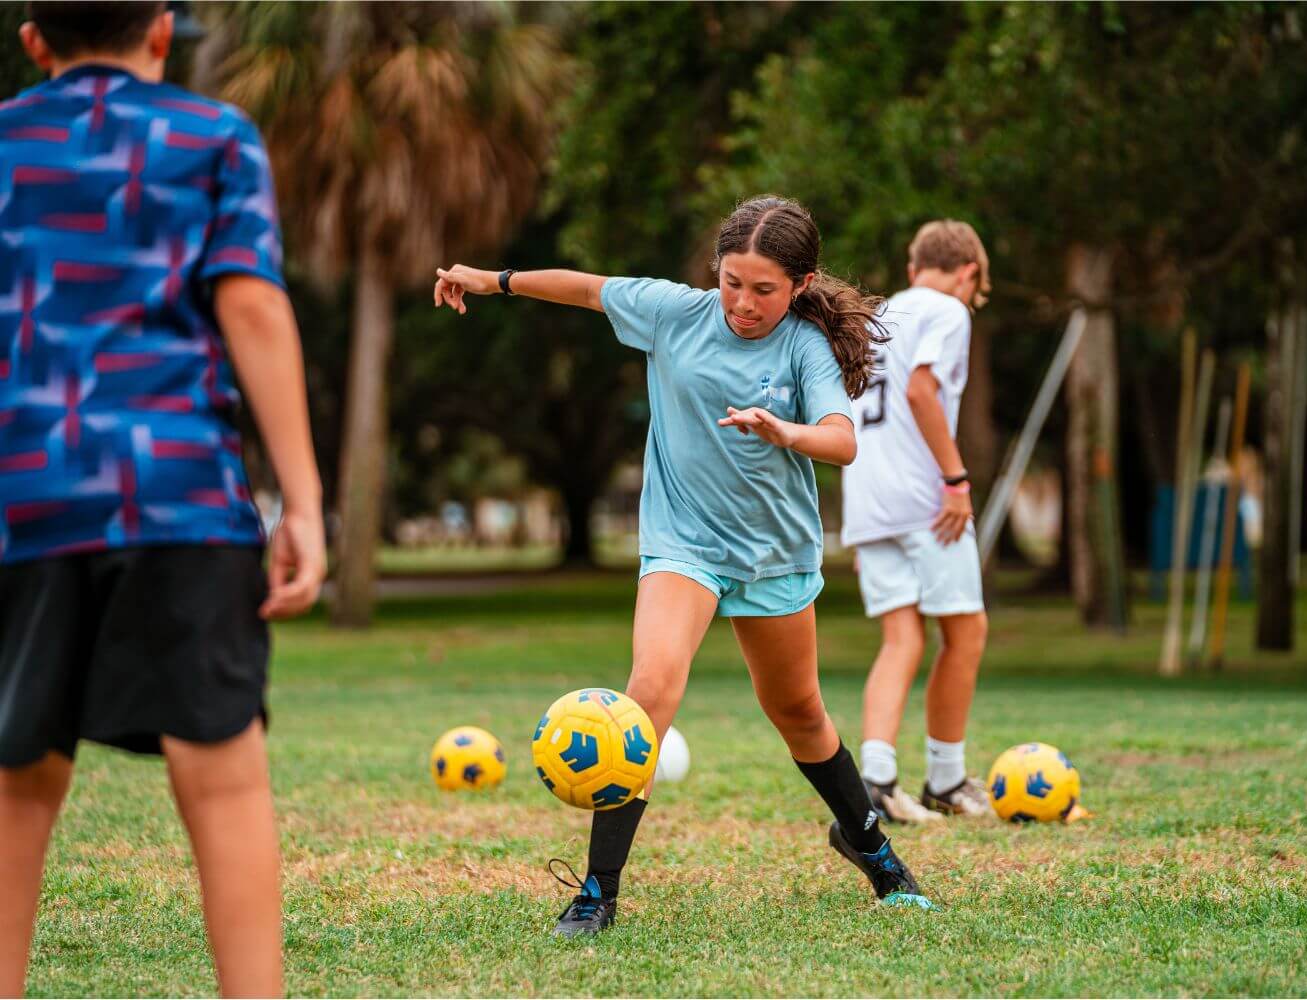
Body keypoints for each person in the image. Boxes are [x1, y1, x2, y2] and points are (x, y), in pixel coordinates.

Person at [434, 195, 933, 938]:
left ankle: (870, 847)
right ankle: (597, 893)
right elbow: (586, 288)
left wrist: (782, 429)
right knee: (647, 695)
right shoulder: (675, 313)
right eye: (733, 281)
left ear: (800, 285)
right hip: (683, 545)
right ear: (716, 271)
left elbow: (841, 440)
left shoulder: (801, 346)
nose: (744, 302)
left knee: (799, 714)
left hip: (772, 555)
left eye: (764, 289)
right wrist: (493, 279)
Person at [0, 4, 325, 996]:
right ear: (161, 31)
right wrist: (302, 501)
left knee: (15, 783)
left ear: (34, 41)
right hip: (179, 492)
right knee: (224, 778)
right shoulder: (214, 137)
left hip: (23, 499)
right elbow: (253, 303)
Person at [841, 221, 992, 823]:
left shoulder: (875, 318)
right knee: (967, 632)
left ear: (912, 268)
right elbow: (921, 394)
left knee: (902, 638)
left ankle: (877, 781)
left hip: (867, 495)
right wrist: (955, 480)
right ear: (969, 273)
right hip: (921, 499)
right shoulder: (949, 311)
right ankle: (948, 782)